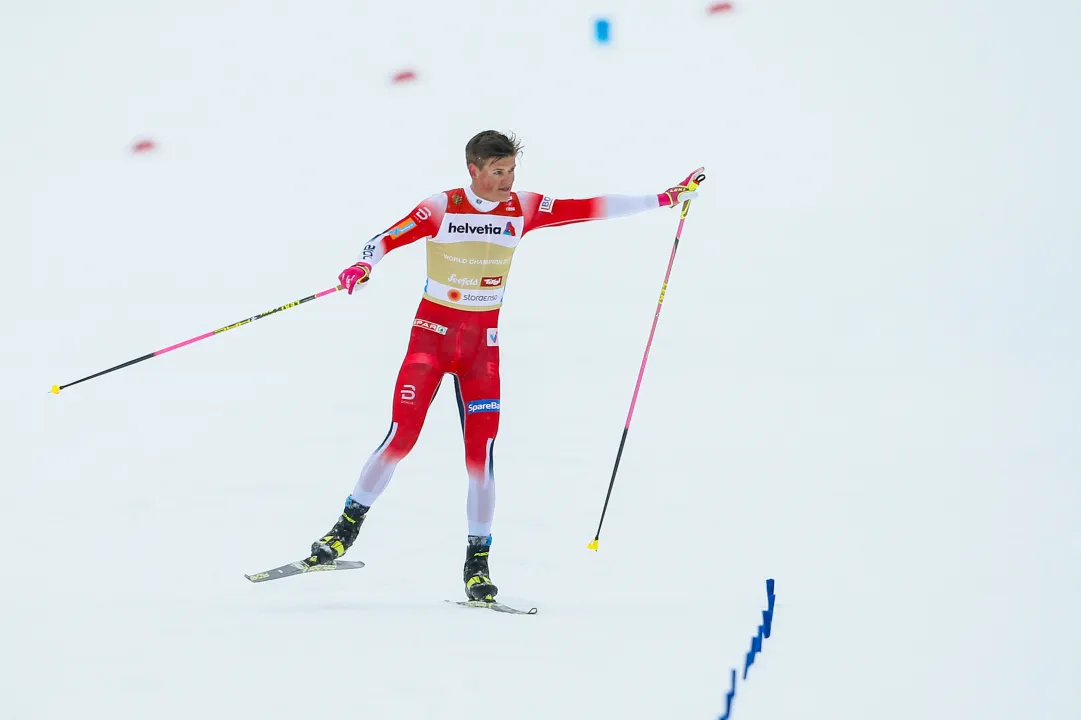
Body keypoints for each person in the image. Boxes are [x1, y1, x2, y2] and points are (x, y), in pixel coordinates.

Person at [305, 130, 703, 602]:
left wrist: (664, 197)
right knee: (402, 436)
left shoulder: (523, 208)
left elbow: (589, 207)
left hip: (481, 351)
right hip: (430, 340)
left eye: (512, 171)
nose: (507, 181)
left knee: (482, 455)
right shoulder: (442, 206)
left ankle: (477, 564)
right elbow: (384, 240)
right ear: (473, 170)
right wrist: (362, 266)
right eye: (498, 172)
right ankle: (344, 529)